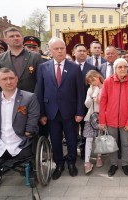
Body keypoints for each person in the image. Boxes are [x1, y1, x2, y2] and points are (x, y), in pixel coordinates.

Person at [37, 37, 85, 180]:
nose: (59, 51)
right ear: (50, 51)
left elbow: (80, 92)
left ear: (66, 49)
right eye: (56, 49)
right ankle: (59, 164)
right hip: (51, 112)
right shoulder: (43, 67)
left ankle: (71, 162)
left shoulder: (75, 68)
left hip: (70, 112)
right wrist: (42, 114)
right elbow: (40, 91)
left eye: (62, 48)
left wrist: (79, 112)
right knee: (55, 140)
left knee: (71, 139)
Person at [99, 58, 128, 177]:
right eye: (120, 67)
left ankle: (125, 164)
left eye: (125, 67)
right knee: (112, 143)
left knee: (126, 143)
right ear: (115, 69)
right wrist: (102, 120)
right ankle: (113, 164)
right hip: (110, 120)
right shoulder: (108, 81)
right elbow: (102, 102)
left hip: (126, 121)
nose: (123, 69)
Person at [0, 68, 39, 176]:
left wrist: (29, 132)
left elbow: (33, 117)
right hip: (0, 143)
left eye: (11, 78)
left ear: (16, 79)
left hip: (21, 143)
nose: (8, 82)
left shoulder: (29, 97)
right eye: (4, 79)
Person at [0, 27, 42, 93]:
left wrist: (34, 98)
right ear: (5, 40)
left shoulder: (35, 57)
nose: (16, 38)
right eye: (11, 36)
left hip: (31, 99)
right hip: (8, 99)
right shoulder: (0, 59)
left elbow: (40, 80)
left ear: (22, 38)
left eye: (18, 36)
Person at [73, 43, 96, 160]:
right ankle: (72, 151)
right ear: (74, 53)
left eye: (84, 51)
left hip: (88, 105)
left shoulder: (92, 68)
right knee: (72, 130)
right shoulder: (69, 66)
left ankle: (84, 151)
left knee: (86, 130)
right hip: (72, 104)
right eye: (79, 51)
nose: (82, 53)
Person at [83, 70, 104, 174]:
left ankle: (99, 157)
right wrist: (92, 94)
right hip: (91, 117)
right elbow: (87, 104)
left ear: (98, 76)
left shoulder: (105, 87)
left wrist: (97, 93)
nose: (93, 82)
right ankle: (87, 162)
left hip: (102, 117)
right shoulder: (90, 89)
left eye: (94, 79)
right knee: (89, 139)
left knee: (99, 138)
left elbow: (101, 102)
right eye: (90, 81)